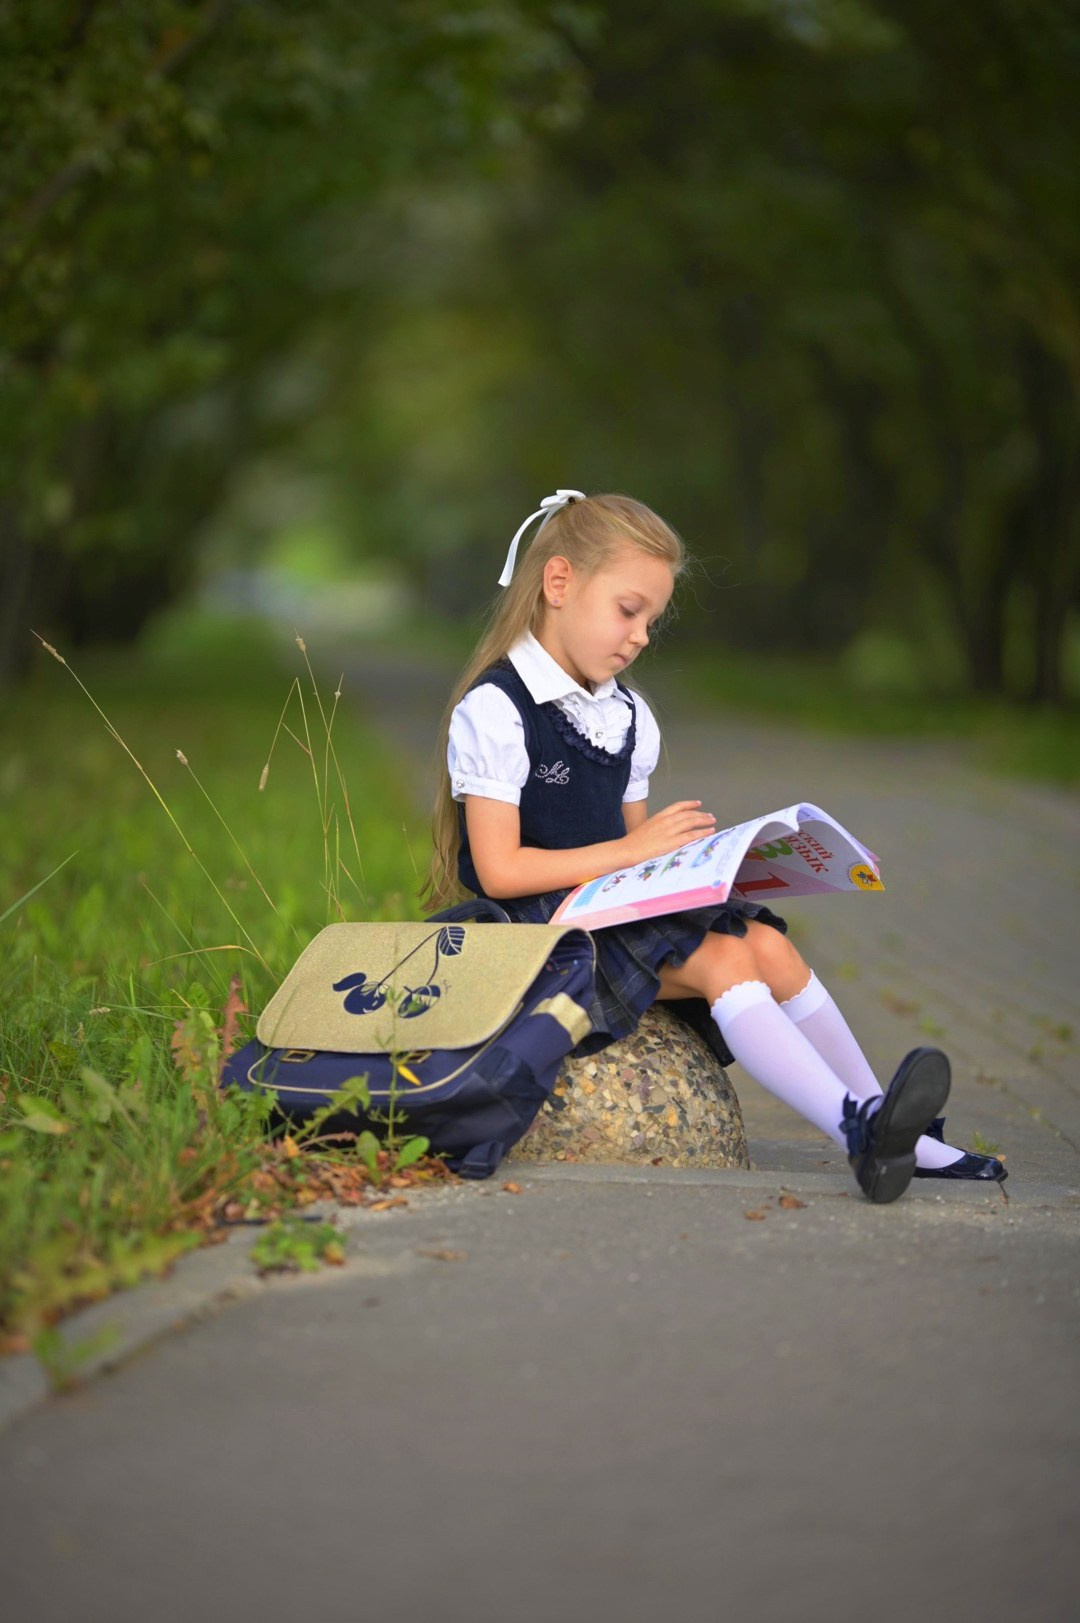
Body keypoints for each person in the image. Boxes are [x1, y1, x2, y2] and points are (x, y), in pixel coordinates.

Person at [421, 490, 1007, 1201]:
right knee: (727, 955)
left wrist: (701, 868)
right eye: (627, 610)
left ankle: (900, 1135)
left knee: (769, 945)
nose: (638, 635)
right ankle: (857, 1130)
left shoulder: (627, 713)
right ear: (558, 584)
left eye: (651, 621)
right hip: (538, 936)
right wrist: (634, 852)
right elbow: (500, 869)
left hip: (603, 912)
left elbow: (634, 857)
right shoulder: (498, 708)